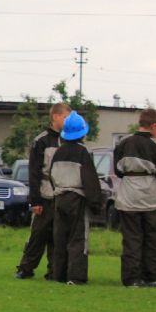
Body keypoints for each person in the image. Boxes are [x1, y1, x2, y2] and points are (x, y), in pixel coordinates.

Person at [47, 111, 104, 286]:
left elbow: (51, 176)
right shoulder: (83, 152)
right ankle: (76, 276)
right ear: (82, 133)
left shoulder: (58, 152)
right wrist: (96, 203)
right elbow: (90, 180)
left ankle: (59, 274)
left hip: (59, 197)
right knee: (78, 238)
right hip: (77, 198)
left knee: (60, 237)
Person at [15, 102, 71, 280]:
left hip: (62, 194)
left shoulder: (70, 140)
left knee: (59, 235)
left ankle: (54, 270)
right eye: (65, 117)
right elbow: (34, 172)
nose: (67, 121)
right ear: (55, 117)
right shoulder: (42, 141)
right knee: (39, 233)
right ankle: (26, 267)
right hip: (45, 193)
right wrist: (36, 200)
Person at [113, 108, 156, 287]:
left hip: (128, 197)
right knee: (152, 239)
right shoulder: (155, 146)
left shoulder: (123, 143)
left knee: (131, 239)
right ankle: (152, 277)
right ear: (154, 125)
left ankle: (131, 278)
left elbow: (117, 170)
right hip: (151, 198)